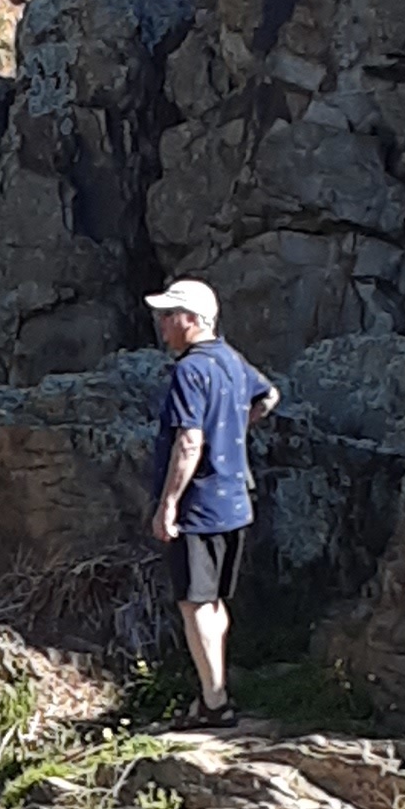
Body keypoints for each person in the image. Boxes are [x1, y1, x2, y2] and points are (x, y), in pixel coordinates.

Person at [143, 279, 276, 730]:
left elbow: (188, 442)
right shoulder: (231, 361)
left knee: (194, 602)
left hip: (199, 506)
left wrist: (168, 506)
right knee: (215, 600)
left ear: (193, 321)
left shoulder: (189, 371)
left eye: (169, 315)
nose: (163, 324)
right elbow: (269, 395)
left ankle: (214, 702)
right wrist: (236, 427)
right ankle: (213, 691)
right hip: (236, 499)